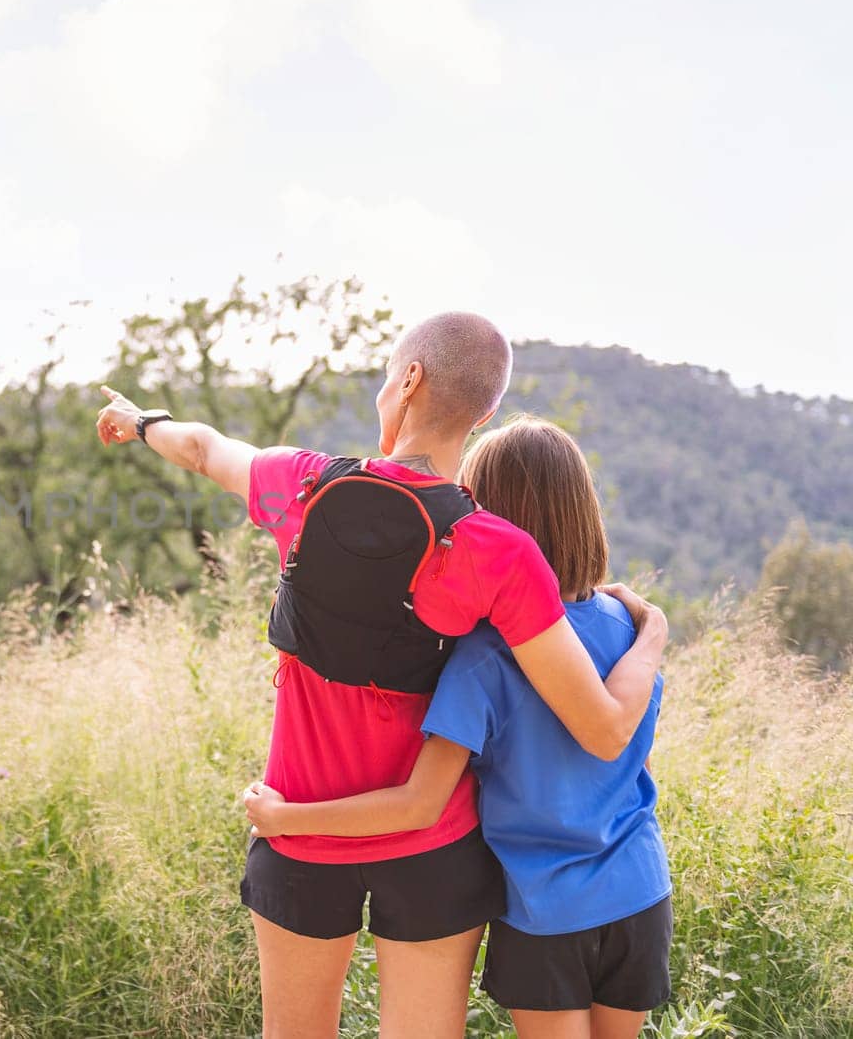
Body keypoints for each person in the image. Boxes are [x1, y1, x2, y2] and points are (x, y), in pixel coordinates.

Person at [93, 312, 668, 1039]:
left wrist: (141, 420)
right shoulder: (503, 551)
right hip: (434, 847)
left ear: (409, 378)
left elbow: (205, 448)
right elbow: (604, 725)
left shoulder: (302, 486)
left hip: (298, 830)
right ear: (486, 412)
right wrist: (653, 630)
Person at [242, 416, 672, 1038]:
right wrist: (655, 630)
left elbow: (421, 801)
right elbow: (636, 766)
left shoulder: (481, 658)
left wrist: (285, 819)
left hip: (547, 908)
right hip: (639, 893)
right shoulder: (627, 630)